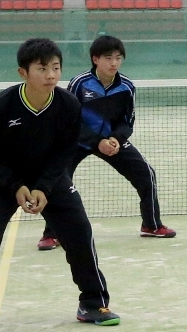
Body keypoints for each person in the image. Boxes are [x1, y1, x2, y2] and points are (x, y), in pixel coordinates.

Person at [0, 38, 116, 332]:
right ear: (23, 72)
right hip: (0, 182)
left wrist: (43, 188)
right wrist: (17, 187)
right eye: (42, 68)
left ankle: (92, 303)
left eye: (55, 67)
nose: (51, 75)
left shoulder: (68, 105)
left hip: (49, 179)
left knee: (79, 231)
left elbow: (63, 153)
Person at [37, 35, 174, 251]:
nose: (114, 63)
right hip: (76, 142)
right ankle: (52, 234)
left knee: (146, 173)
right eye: (108, 58)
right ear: (95, 59)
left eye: (118, 58)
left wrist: (116, 139)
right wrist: (96, 140)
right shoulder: (79, 83)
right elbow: (70, 122)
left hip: (111, 141)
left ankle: (151, 225)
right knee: (57, 179)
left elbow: (127, 121)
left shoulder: (126, 87)